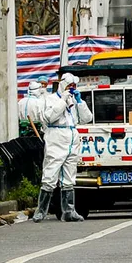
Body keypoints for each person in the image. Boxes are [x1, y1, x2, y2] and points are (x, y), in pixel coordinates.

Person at [33, 74, 92, 222]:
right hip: (56, 135)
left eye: (73, 86)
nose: (71, 89)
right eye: (69, 86)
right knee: (50, 173)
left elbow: (87, 119)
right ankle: (41, 210)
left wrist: (80, 102)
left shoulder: (73, 100)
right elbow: (49, 117)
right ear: (62, 85)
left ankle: (69, 211)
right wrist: (63, 101)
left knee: (69, 176)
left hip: (72, 135)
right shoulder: (51, 99)